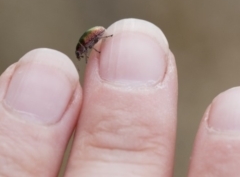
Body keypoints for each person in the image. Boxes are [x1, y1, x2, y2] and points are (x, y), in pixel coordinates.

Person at [0, 18, 238, 176]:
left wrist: (101, 43)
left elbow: (92, 42)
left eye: (81, 52)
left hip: (102, 34)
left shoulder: (89, 43)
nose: (82, 54)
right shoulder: (87, 47)